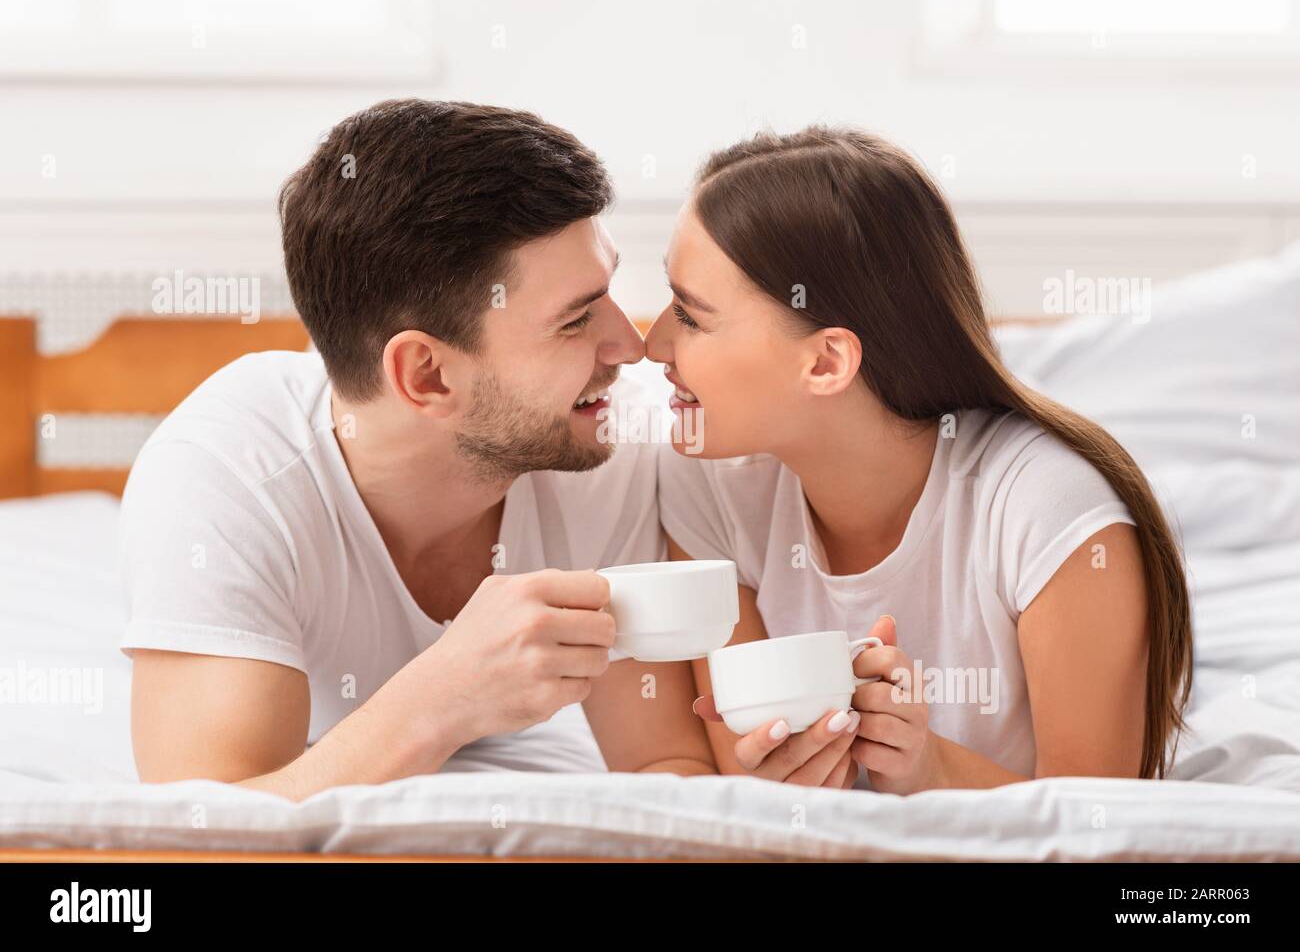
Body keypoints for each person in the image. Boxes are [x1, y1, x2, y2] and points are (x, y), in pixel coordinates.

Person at [117, 99, 725, 801]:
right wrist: (444, 696)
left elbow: (661, 768)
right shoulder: (225, 481)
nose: (633, 345)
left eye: (608, 291)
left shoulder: (605, 442)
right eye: (574, 320)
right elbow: (203, 829)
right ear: (427, 376)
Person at [647, 125, 1193, 794]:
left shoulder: (1049, 512)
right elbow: (747, 769)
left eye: (690, 315)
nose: (654, 345)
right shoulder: (706, 488)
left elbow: (1097, 820)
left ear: (825, 362)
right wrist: (788, 775)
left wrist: (925, 764)